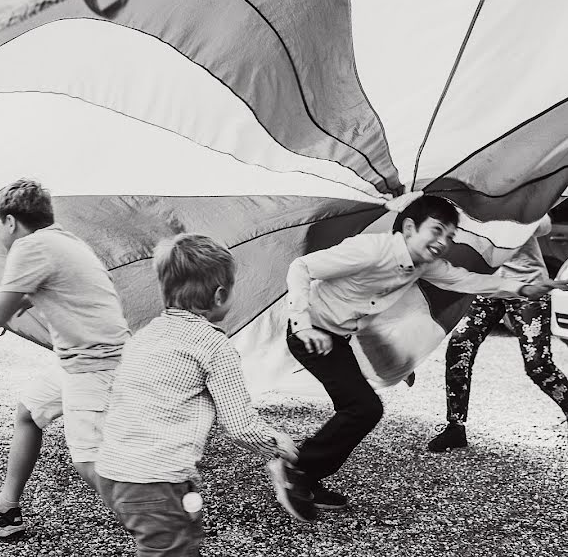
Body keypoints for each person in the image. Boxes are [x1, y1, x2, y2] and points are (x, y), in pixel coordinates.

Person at [284, 195, 567, 509]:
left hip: (337, 338)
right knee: (363, 409)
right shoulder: (372, 250)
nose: (442, 241)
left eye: (449, 236)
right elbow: (302, 266)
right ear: (409, 228)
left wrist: (523, 289)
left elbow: (467, 280)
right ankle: (296, 470)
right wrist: (302, 323)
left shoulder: (423, 265)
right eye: (436, 231)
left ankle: (307, 476)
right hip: (311, 335)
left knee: (356, 409)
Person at [96, 233, 308, 556]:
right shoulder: (213, 346)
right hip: (157, 480)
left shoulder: (143, 336)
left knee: (169, 543)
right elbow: (240, 426)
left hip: (113, 473)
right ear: (220, 295)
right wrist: (277, 445)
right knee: (172, 548)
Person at [0, 179, 130, 538]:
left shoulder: (31, 247)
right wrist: (21, 305)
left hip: (94, 366)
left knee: (89, 462)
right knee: (28, 411)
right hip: (92, 359)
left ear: (10, 221)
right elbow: (49, 291)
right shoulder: (64, 240)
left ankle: (162, 531)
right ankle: (5, 511)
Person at [428, 215, 568, 451]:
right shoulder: (473, 209)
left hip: (527, 288)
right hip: (490, 290)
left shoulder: (520, 205)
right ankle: (455, 427)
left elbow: (544, 226)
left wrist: (514, 213)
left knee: (538, 366)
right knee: (459, 346)